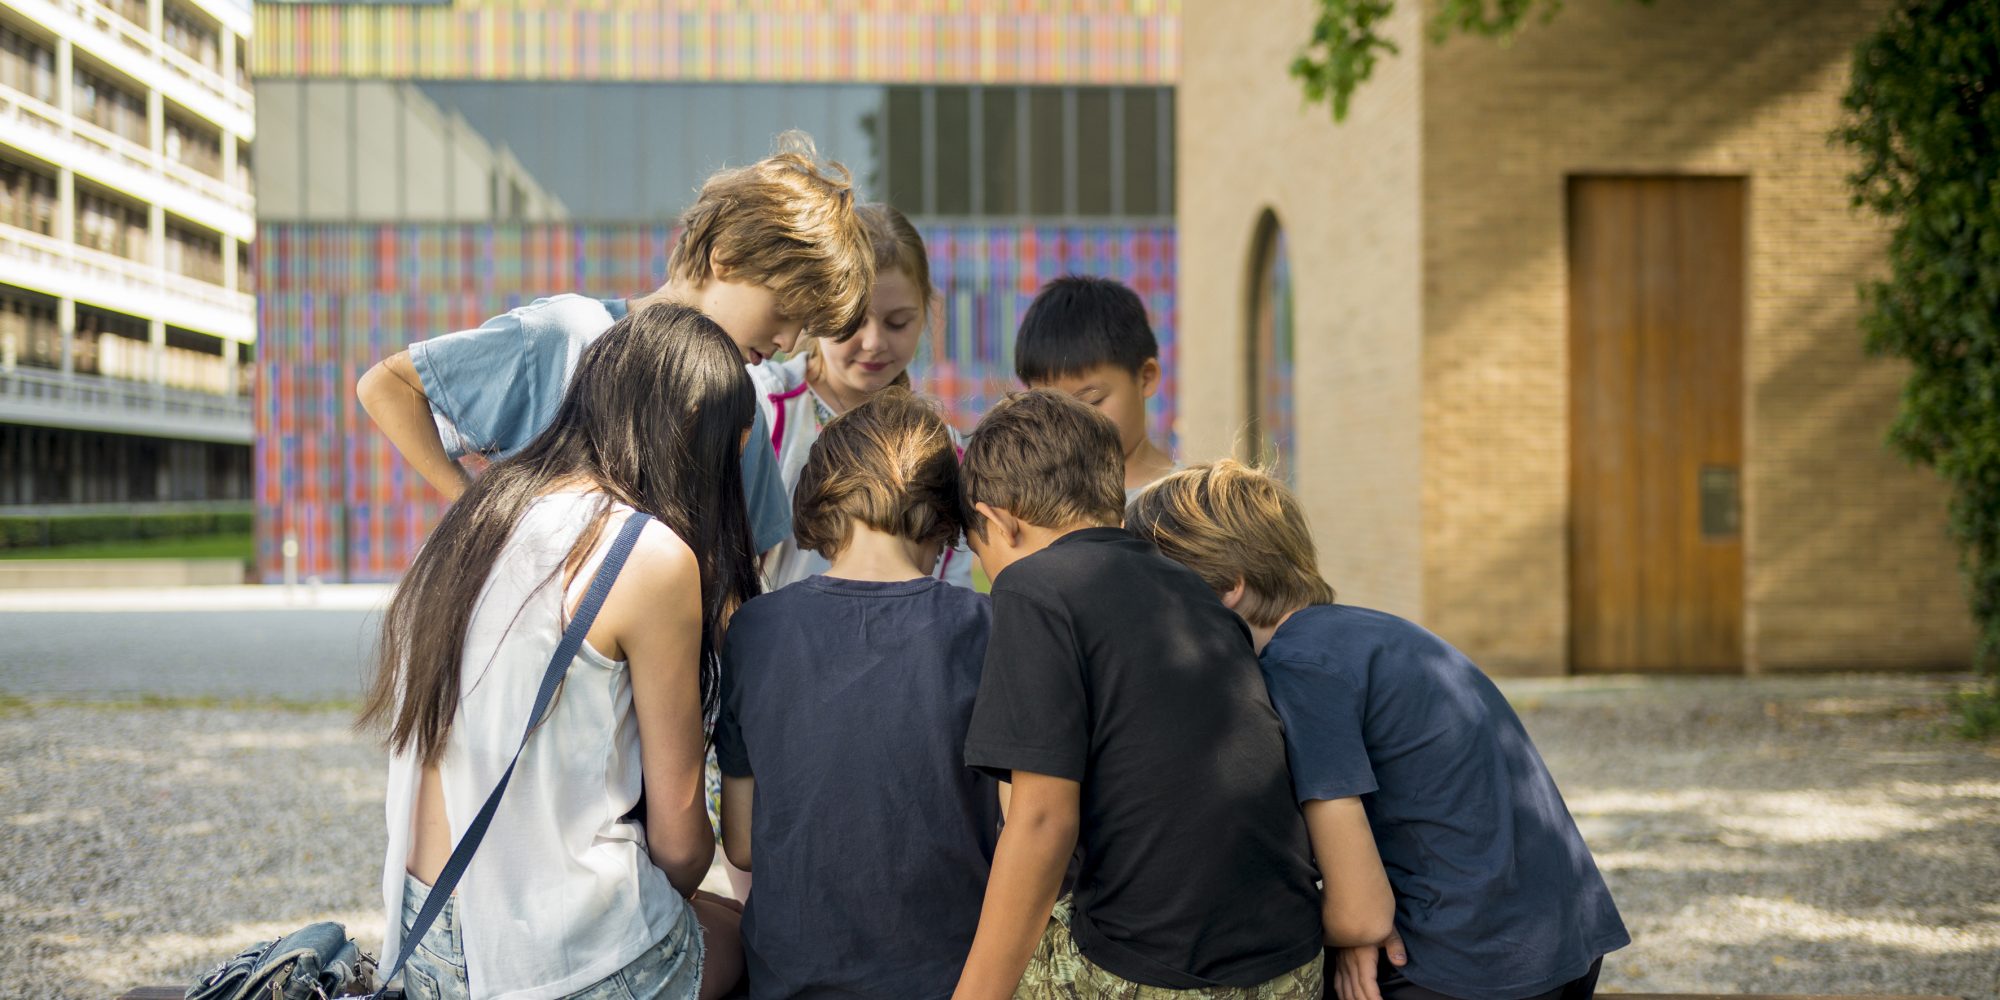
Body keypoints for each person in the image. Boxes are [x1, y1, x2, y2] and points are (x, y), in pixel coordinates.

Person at [360, 304, 757, 1000]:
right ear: (700, 438)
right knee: (767, 939)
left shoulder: (473, 523)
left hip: (426, 945)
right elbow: (682, 847)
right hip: (550, 963)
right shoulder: (647, 553)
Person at [1125, 460, 1631, 1000]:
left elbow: (1362, 914)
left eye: (1154, 591)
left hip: (1466, 965)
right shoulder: (1368, 633)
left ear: (1227, 587)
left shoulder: (1298, 671)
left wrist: (1347, 927)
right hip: (1561, 937)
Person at [949, 390, 1358, 1000]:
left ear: (1000, 519)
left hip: (1160, 974)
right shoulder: (1193, 590)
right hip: (1290, 961)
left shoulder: (1034, 587)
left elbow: (1040, 819)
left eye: (982, 553)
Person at [355, 131, 875, 559]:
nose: (786, 342)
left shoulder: (740, 407)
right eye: (783, 311)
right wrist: (481, 517)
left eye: (802, 327)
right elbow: (388, 386)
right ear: (728, 257)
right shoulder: (567, 334)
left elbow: (751, 562)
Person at [715, 388, 999, 999]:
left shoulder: (755, 631)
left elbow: (740, 846)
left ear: (822, 499)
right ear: (946, 515)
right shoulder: (987, 628)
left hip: (792, 979)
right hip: (953, 976)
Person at [749, 203, 974, 589]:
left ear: (925, 313)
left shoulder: (944, 454)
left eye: (898, 322)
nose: (874, 342)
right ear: (816, 308)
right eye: (853, 322)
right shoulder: (761, 404)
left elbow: (951, 592)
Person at [1012, 276, 1176, 501]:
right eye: (1047, 407)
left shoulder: (1191, 508)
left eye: (1092, 401)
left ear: (1146, 378)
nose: (1071, 424)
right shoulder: (1026, 505)